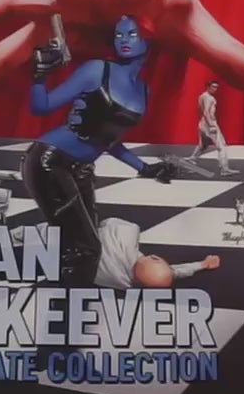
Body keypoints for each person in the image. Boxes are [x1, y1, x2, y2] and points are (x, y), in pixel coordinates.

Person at [23, 15, 176, 286]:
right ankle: (65, 307)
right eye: (118, 35)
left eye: (132, 34)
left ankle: (63, 291)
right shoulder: (97, 70)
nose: (124, 40)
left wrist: (145, 168)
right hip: (50, 161)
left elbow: (108, 140)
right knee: (86, 248)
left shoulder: (143, 91)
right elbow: (41, 107)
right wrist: (39, 77)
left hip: (82, 168)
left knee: (88, 238)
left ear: (149, 40)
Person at [13, 217, 221, 289]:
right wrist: (201, 265)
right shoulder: (126, 283)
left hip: (55, 244)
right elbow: (174, 272)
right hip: (61, 261)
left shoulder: (126, 234)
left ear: (154, 257)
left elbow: (107, 223)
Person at [189, 81, 235, 175]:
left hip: (203, 123)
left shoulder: (202, 96)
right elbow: (206, 112)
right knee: (221, 146)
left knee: (203, 145)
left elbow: (200, 109)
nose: (215, 89)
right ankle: (224, 169)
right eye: (213, 87)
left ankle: (192, 160)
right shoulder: (209, 98)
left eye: (216, 87)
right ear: (208, 87)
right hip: (209, 123)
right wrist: (211, 125)